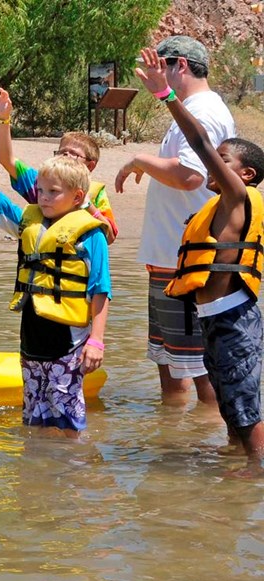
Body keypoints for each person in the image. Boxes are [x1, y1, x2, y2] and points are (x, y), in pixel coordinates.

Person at [135, 47, 264, 473]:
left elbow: (200, 142)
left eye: (223, 162)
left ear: (244, 175)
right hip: (212, 316)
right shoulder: (218, 204)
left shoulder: (237, 196)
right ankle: (236, 456)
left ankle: (256, 466)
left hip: (233, 317)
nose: (214, 165)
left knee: (244, 396)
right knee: (228, 397)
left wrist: (165, 97)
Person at [0, 126, 111, 437]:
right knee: (34, 421)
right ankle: (37, 478)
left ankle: (73, 478)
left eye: (54, 192)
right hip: (31, 339)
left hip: (69, 343)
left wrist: (97, 341)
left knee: (68, 424)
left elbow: (101, 289)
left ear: (78, 197)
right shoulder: (30, 220)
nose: (44, 197)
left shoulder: (91, 235)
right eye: (41, 190)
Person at [115, 36, 235, 406]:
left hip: (189, 262)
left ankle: (204, 448)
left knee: (199, 371)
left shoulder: (203, 110)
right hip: (173, 259)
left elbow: (189, 175)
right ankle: (175, 444)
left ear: (179, 66)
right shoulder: (192, 108)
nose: (150, 72)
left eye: (159, 64)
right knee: (173, 367)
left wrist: (139, 160)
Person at [0, 86, 118, 244]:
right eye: (61, 151)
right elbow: (6, 160)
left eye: (73, 153)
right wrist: (4, 119)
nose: (65, 155)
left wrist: (86, 204)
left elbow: (110, 236)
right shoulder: (42, 182)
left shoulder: (95, 194)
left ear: (90, 166)